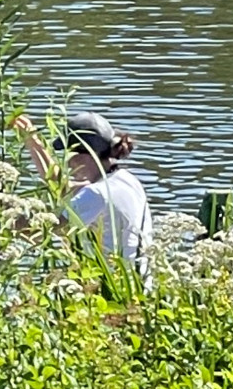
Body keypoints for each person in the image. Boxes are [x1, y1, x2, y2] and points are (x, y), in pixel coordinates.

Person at [14, 110, 152, 274]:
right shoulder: (126, 180)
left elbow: (38, 234)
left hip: (109, 289)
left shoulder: (95, 194)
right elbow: (60, 186)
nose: (68, 161)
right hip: (139, 285)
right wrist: (32, 141)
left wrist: (9, 219)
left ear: (85, 154)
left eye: (69, 152)